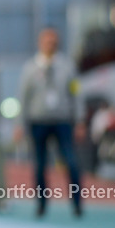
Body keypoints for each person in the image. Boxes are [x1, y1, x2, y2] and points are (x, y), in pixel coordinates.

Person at [18, 27, 83, 217]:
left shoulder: (67, 66)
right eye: (47, 41)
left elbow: (76, 93)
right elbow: (23, 97)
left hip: (62, 121)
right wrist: (19, 124)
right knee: (39, 165)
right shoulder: (30, 68)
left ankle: (77, 203)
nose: (50, 44)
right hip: (38, 122)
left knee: (71, 162)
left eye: (53, 41)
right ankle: (41, 204)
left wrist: (80, 120)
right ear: (40, 42)